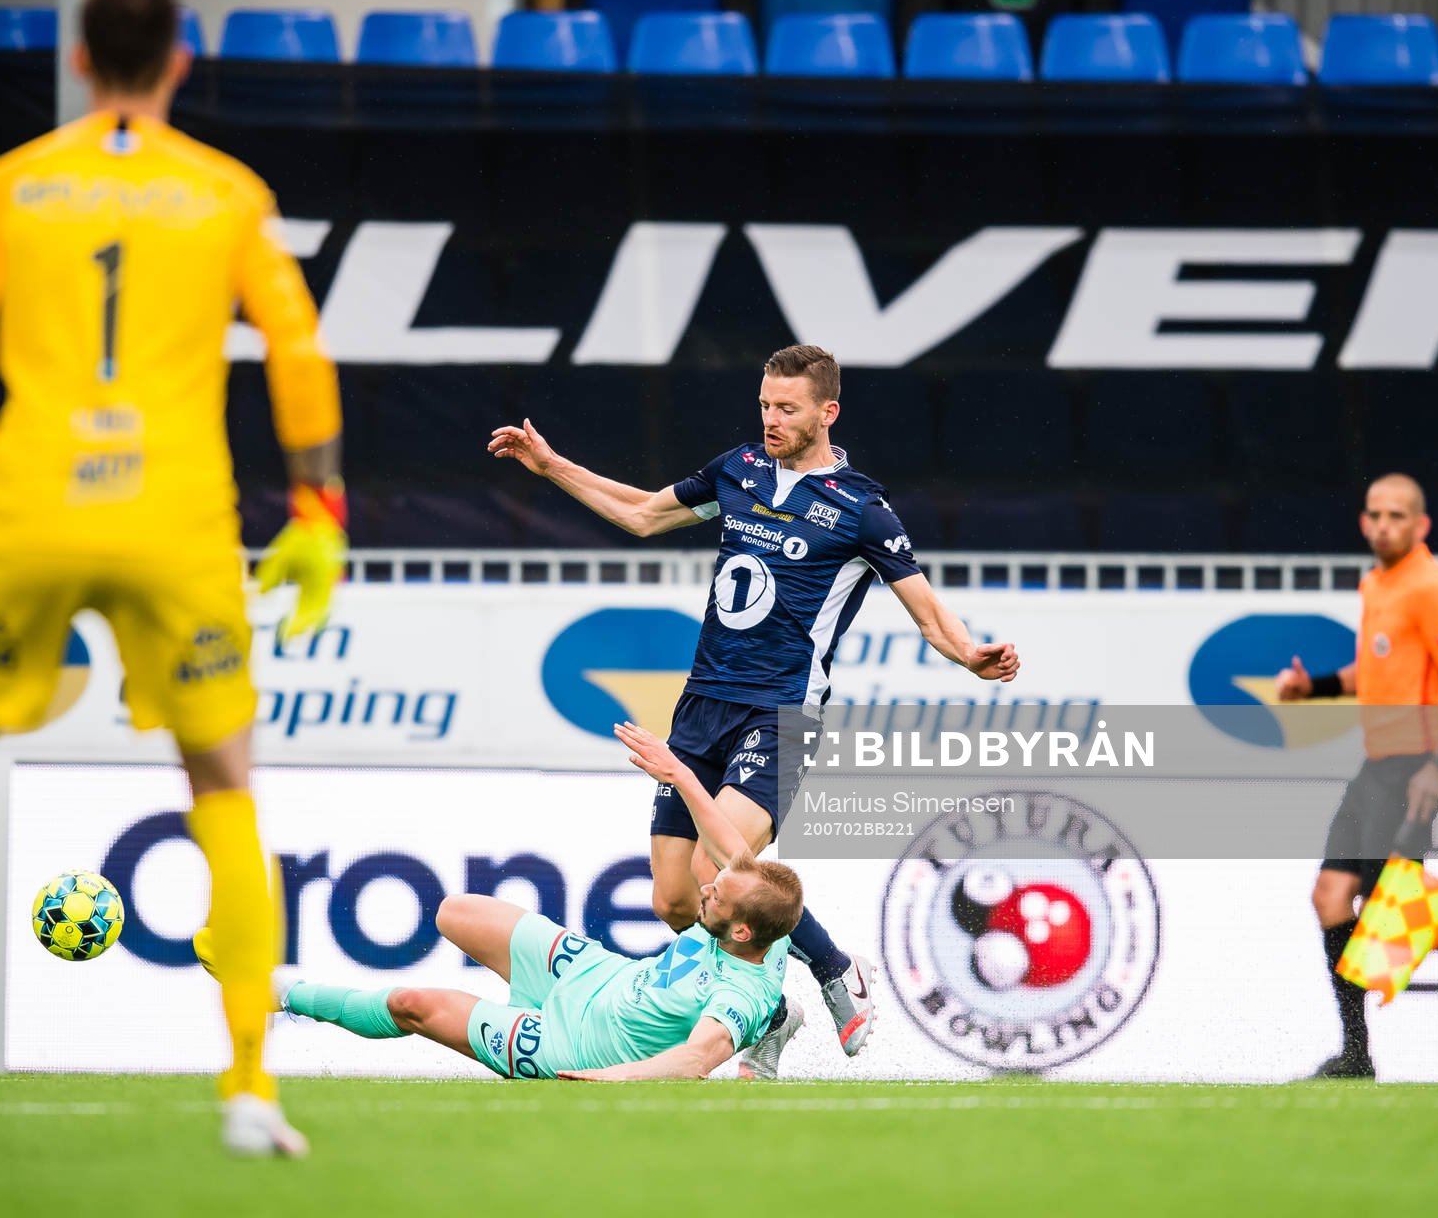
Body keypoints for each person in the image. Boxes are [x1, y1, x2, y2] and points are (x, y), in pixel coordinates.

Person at [0, 0, 346, 1157]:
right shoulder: (227, 193)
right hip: (175, 521)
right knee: (221, 785)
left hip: (28, 510)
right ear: (178, 62)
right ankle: (251, 1089)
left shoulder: (13, 188)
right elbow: (298, 354)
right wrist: (319, 508)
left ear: (76, 60)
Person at [487, 344, 1019, 1073]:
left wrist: (971, 656)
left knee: (723, 866)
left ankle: (837, 969)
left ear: (826, 412)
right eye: (765, 405)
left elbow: (928, 614)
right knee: (678, 900)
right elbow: (643, 514)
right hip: (703, 703)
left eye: (787, 408)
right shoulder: (738, 469)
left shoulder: (861, 509)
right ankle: (772, 1007)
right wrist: (551, 465)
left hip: (780, 714)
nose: (771, 419)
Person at [224, 722, 800, 1081]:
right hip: (597, 974)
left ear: (743, 932)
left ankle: (277, 995)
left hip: (571, 1045)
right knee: (455, 912)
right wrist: (675, 772)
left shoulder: (738, 993)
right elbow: (725, 839)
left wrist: (612, 1079)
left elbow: (695, 1061)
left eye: (717, 895)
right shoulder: (756, 910)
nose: (707, 885)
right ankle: (782, 1021)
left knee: (411, 1002)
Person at [1275, 473, 1438, 1079]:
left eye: (1397, 515)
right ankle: (1357, 1056)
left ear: (1421, 526)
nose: (1383, 525)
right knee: (1331, 897)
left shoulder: (1429, 587)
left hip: (1409, 770)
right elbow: (1370, 675)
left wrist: (1437, 769)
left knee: (1394, 908)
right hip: (1375, 768)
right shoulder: (1377, 584)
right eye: (1374, 514)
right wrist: (1311, 688)